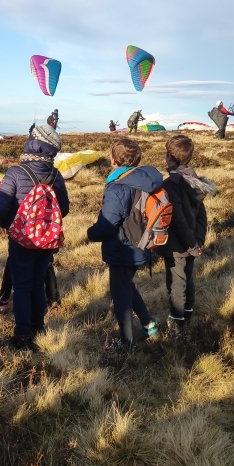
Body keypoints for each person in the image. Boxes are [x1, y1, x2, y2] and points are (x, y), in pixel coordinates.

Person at [0, 124, 70, 347]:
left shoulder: (16, 172)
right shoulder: (56, 175)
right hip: (46, 242)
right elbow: (63, 209)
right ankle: (39, 328)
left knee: (22, 286)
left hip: (21, 240)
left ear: (32, 142)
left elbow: (0, 209)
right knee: (37, 282)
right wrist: (46, 225)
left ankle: (22, 334)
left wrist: (10, 226)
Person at [85, 137, 162, 350]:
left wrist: (91, 233)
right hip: (143, 243)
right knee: (126, 285)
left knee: (121, 297)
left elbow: (108, 225)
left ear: (113, 160)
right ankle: (149, 325)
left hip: (123, 249)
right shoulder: (146, 180)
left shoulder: (117, 187)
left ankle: (126, 343)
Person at [158, 135, 214, 341]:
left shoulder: (171, 185)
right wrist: (198, 241)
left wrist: (191, 244)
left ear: (169, 156)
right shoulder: (196, 182)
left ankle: (177, 328)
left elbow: (178, 219)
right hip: (192, 244)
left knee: (177, 284)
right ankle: (187, 318)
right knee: (187, 280)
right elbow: (202, 214)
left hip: (177, 245)